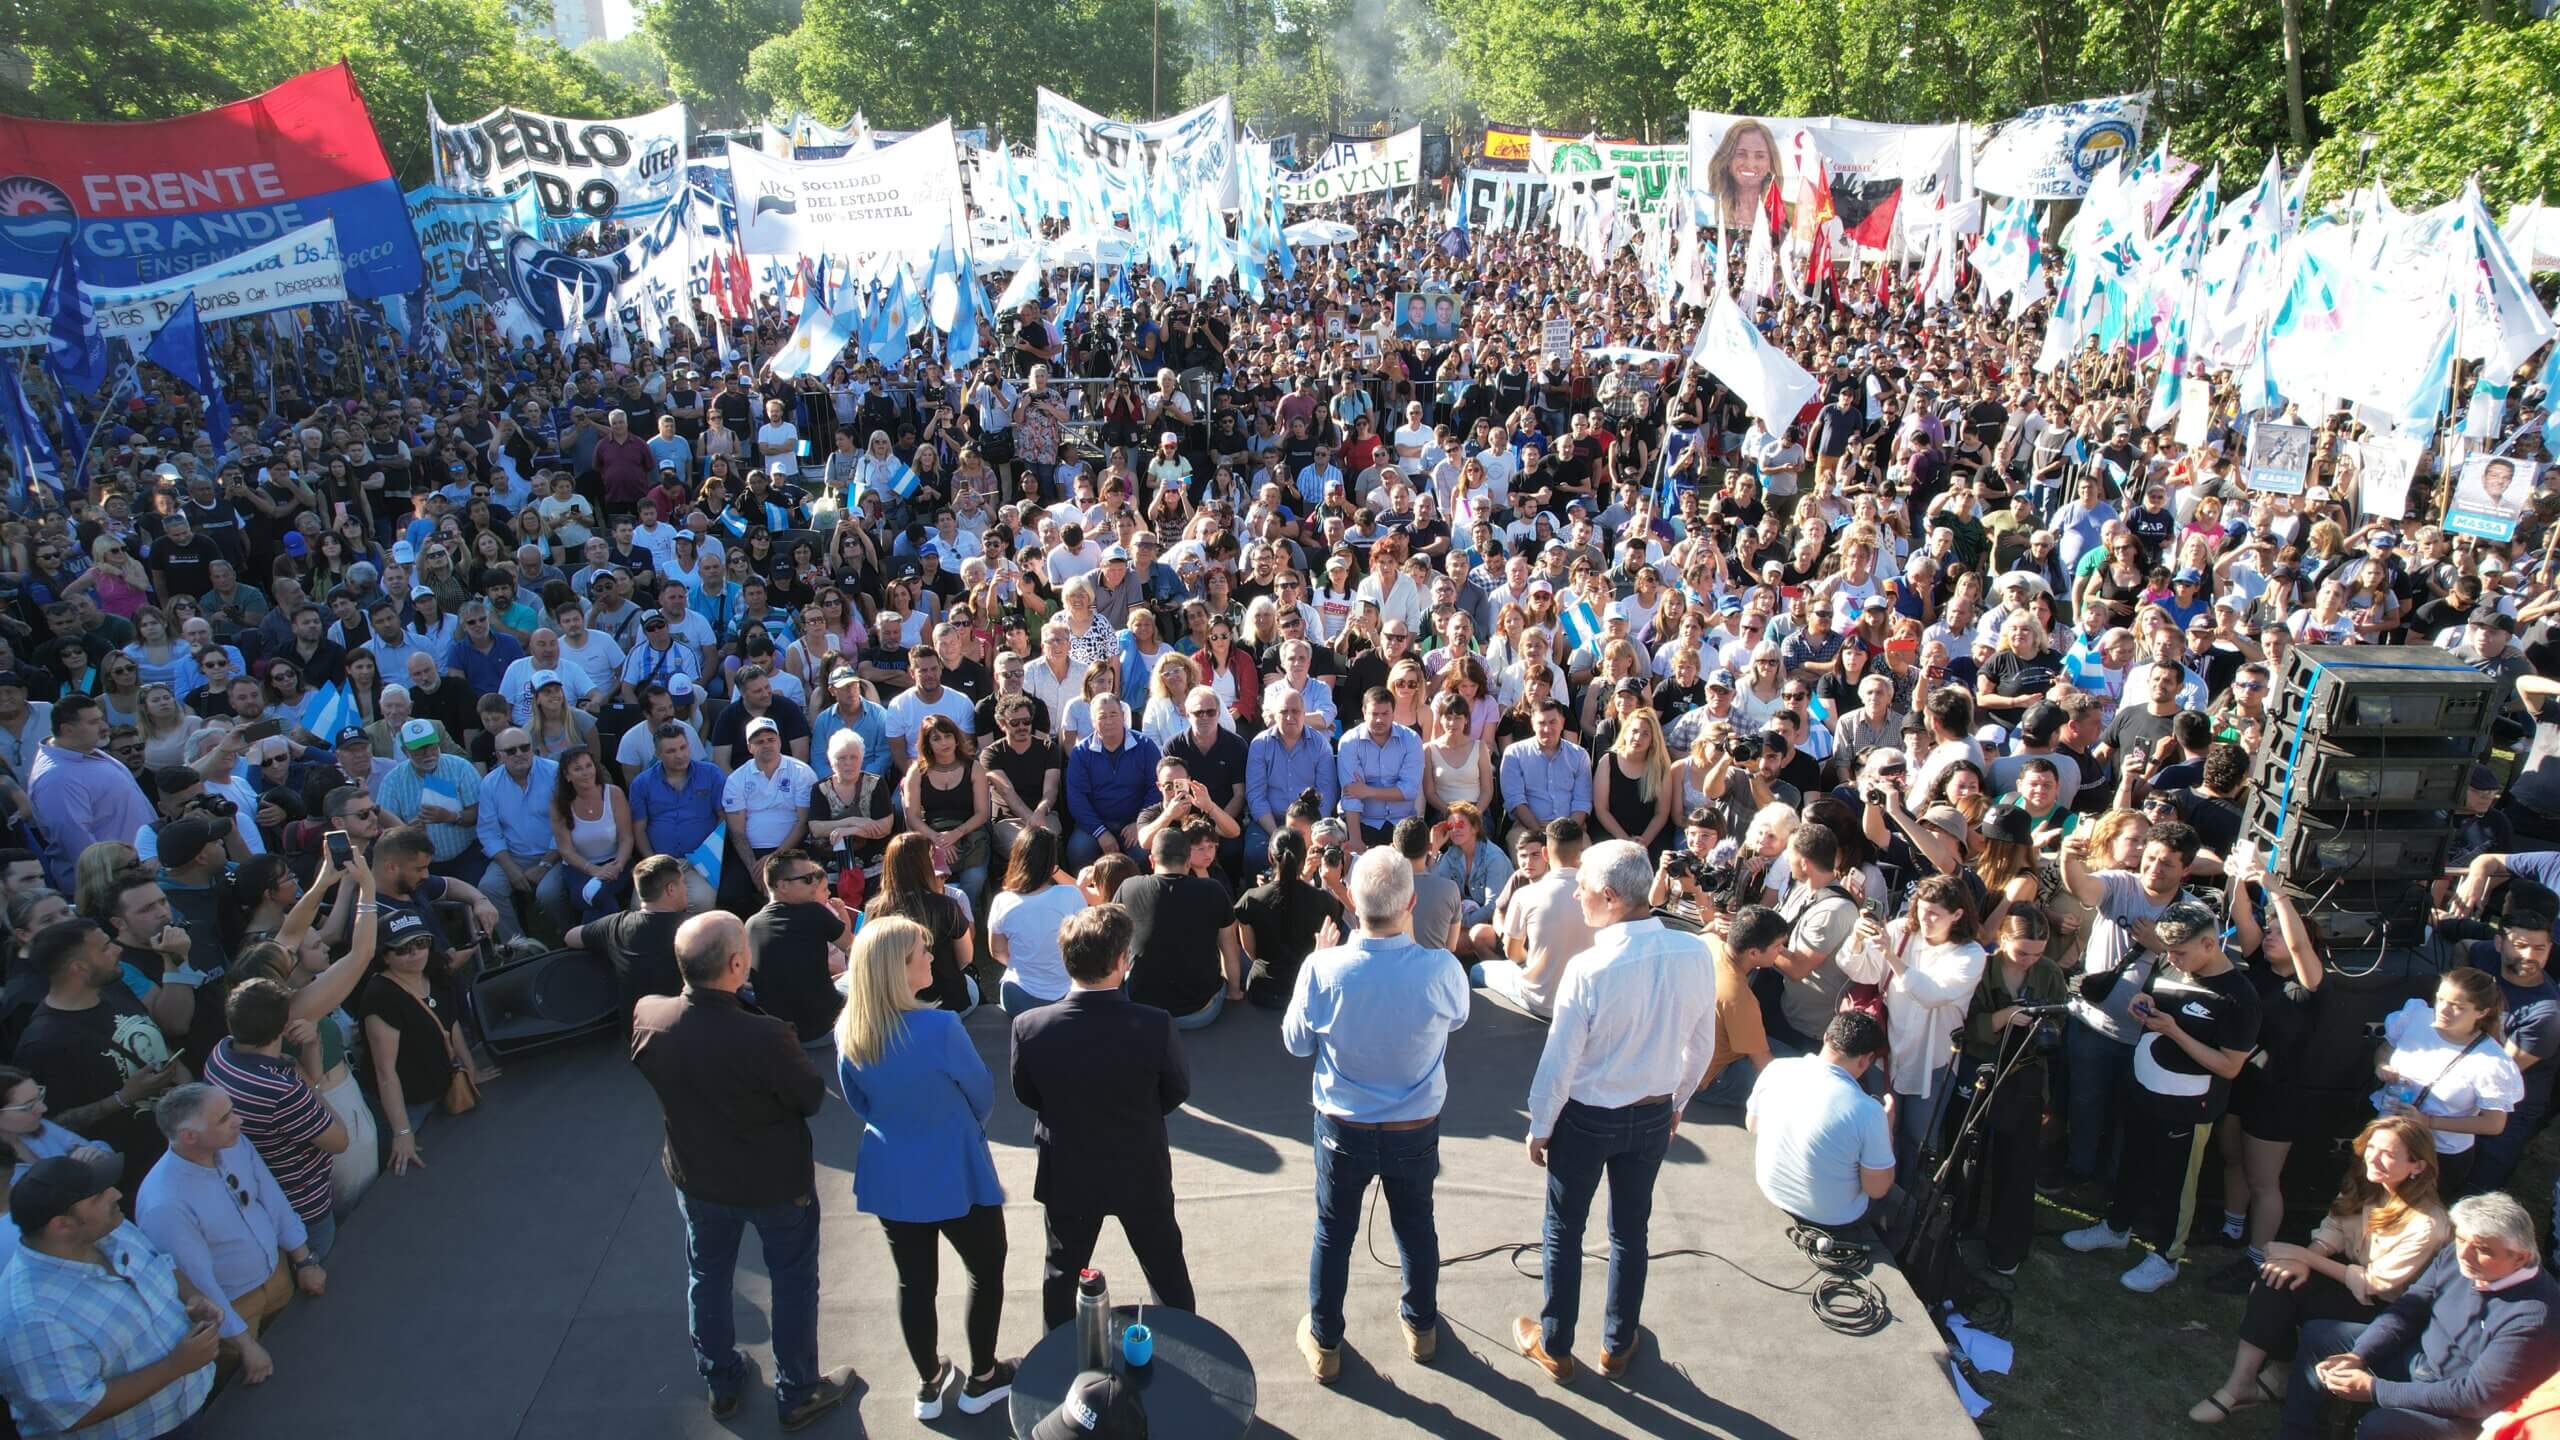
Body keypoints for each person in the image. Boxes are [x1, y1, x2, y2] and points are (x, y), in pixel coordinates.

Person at [627, 911, 856, 1429]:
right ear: (737, 962)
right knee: (793, 1284)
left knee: (706, 1277)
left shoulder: (648, 1015)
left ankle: (720, 1381)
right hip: (775, 1185)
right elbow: (810, 1098)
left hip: (697, 1178)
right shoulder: (766, 1036)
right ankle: (798, 1390)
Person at [1515, 840, 1720, 1383]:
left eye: (1582, 885)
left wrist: (1540, 1125)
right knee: (1632, 1229)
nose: (1576, 892)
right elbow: (1702, 1045)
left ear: (1609, 896)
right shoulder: (1694, 952)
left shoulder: (1589, 967)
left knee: (1564, 1229)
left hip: (1586, 1117)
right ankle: (1617, 1343)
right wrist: (1676, 1104)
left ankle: (1556, 1346)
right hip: (1653, 1114)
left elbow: (1559, 1061)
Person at [1284, 848, 1471, 1380]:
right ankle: (1422, 1327)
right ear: (1411, 902)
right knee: (1416, 1226)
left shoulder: (1323, 966)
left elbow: (1297, 1044)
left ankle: (1324, 1342)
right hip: (1415, 1129)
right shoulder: (1440, 968)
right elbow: (1456, 1020)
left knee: (1332, 1231)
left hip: (1343, 1127)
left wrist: (1311, 965)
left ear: (1353, 902)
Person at [833, 916, 1016, 1420]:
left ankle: (929, 1384)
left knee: (914, 1283)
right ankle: (983, 1378)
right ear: (898, 969)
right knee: (986, 1269)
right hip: (957, 1169)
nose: (931, 958)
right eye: (922, 952)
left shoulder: (848, 1031)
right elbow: (981, 1093)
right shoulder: (940, 1027)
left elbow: (860, 1103)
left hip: (891, 1173)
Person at [2190, 1115, 2451, 1425]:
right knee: (2274, 1278)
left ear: (2417, 1166)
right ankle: (2243, 1381)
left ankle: (2274, 1378)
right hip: (2352, 1279)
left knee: (2280, 1283)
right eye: (2372, 1148)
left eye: (2389, 1154)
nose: (2375, 1158)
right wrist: (2303, 1259)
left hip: (2389, 1311)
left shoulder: (2427, 1224)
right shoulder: (2367, 1183)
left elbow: (2377, 1284)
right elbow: (2334, 1228)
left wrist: (2305, 1258)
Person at [1008, 903, 1197, 1329]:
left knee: (1062, 1273)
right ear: (1120, 962)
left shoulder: (1030, 1026)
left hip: (1069, 1172)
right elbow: (1176, 1090)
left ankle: (1054, 1364)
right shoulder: (1155, 1024)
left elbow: (1027, 1093)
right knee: (1166, 1268)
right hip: (1140, 1167)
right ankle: (1192, 1350)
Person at [2063, 898, 2261, 1292]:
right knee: (2131, 1163)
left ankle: (2167, 1257)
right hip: (2144, 1089)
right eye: (2168, 951)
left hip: (2189, 1107)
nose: (2172, 958)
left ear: (2210, 944)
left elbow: (2229, 1066)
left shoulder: (2240, 997)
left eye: (2180, 951)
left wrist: (2174, 1031)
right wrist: (2145, 1004)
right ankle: (2117, 1227)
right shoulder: (2172, 964)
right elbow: (2162, 1003)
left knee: (2176, 1183)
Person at [2284, 1192, 2560, 1440]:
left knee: (2380, 1426)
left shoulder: (2532, 1317)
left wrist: (2375, 1390)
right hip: (2418, 1361)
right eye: (2461, 1239)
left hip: (2463, 1414)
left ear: (2520, 1258)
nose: (2465, 1254)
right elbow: (2408, 1310)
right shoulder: (2456, 1255)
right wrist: (2360, 1354)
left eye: (2483, 1250)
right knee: (2320, 1337)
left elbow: (2475, 1397)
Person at [0, 1151, 220, 1439]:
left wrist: (192, 1296)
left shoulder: (111, 1229)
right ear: (61, 1225)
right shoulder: (30, 1316)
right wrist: (175, 1366)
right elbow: (74, 1411)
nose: (116, 1194)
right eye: (98, 1196)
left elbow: (160, 1263)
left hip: (190, 1408)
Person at [132, 1084, 325, 1387]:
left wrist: (303, 1260)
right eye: (224, 1118)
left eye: (232, 1110)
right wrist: (245, 1345)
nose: (238, 1120)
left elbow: (271, 1198)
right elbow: (198, 1282)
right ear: (188, 1137)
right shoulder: (164, 1204)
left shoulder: (234, 1143)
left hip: (278, 1278)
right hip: (235, 1310)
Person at [1839, 874, 1990, 1182]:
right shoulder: (1899, 931)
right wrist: (1857, 938)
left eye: (1935, 914)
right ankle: (1876, 1194)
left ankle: (1910, 1203)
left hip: (1933, 1061)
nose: (1925, 918)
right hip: (1886, 1052)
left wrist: (1891, 956)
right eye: (1922, 909)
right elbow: (1859, 970)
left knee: (1919, 1138)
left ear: (1958, 914)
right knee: (1880, 1131)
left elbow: (1931, 995)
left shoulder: (1971, 954)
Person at [199, 979, 350, 1264]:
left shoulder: (220, 1055)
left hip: (266, 1201)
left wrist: (313, 1044)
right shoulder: (282, 1091)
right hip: (305, 1208)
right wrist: (310, 1087)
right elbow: (339, 1140)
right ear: (284, 1027)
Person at [1748, 1011, 1900, 1233]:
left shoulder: (1776, 1069)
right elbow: (1877, 1189)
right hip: (1832, 1218)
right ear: (1866, 1060)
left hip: (1773, 1190)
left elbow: (1753, 1126)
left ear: (1827, 1036)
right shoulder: (1869, 1111)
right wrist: (1886, 1130)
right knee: (1903, 1205)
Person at [1116, 824, 1244, 1027]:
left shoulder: (1129, 887)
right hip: (1201, 1011)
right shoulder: (1214, 890)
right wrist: (1234, 991)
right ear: (1187, 862)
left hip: (1141, 1008)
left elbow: (1113, 944)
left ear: (1151, 861)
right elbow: (1229, 946)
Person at [26, 694, 157, 892]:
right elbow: (80, 847)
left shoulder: (89, 750)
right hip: (113, 887)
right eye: (94, 722)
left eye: (101, 718)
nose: (104, 726)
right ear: (67, 729)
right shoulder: (56, 779)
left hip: (139, 873)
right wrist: (118, 886)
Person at [1474, 817, 1595, 1021]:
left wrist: (1532, 964)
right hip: (1585, 1003)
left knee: (1478, 971)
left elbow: (1513, 954)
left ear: (1546, 853)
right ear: (1581, 853)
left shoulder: (1526, 895)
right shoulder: (1601, 897)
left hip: (1540, 1002)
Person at [566, 853, 691, 1014]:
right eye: (683, 883)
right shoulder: (695, 930)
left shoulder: (614, 925)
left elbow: (570, 937)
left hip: (634, 1031)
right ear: (671, 889)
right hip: (682, 1027)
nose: (686, 888)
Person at [985, 826, 1085, 1013]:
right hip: (1067, 997)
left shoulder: (1002, 901)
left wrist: (1027, 966)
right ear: (1051, 861)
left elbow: (997, 951)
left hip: (1018, 997)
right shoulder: (1071, 895)